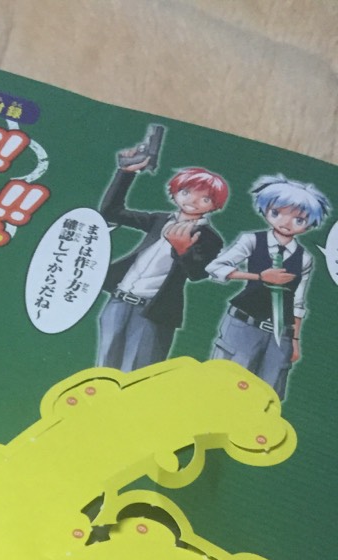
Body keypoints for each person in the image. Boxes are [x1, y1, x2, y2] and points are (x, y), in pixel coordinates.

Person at [96, 147, 228, 372]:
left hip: (153, 312)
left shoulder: (209, 237)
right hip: (118, 301)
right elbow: (110, 212)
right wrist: (126, 172)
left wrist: (182, 250)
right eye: (186, 192)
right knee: (103, 369)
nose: (193, 201)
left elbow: (197, 274)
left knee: (137, 373)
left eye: (205, 198)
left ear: (214, 205)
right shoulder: (159, 220)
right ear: (175, 192)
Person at [206, 175, 330, 400]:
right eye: (277, 212)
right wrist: (259, 277)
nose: (286, 222)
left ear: (309, 224)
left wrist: (295, 340)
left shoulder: (304, 258)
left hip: (280, 335)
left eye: (298, 219)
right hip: (243, 325)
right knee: (224, 388)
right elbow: (215, 268)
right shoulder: (252, 240)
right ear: (266, 211)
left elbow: (298, 302)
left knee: (265, 396)